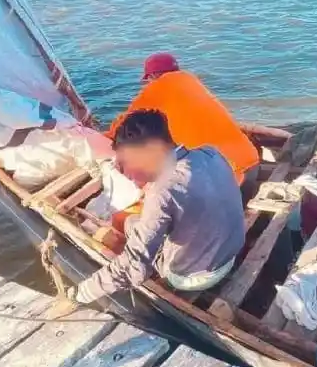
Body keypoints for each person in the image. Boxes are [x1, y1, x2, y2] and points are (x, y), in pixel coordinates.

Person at [75, 109, 244, 302]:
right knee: (140, 222)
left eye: (126, 162)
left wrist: (81, 294)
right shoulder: (210, 153)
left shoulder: (162, 191)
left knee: (125, 221)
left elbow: (135, 268)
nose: (127, 172)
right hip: (230, 256)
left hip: (193, 278)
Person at [106, 52, 260, 202]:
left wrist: (108, 136)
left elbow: (127, 122)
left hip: (227, 181)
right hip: (251, 163)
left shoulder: (156, 88)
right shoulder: (192, 82)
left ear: (152, 76)